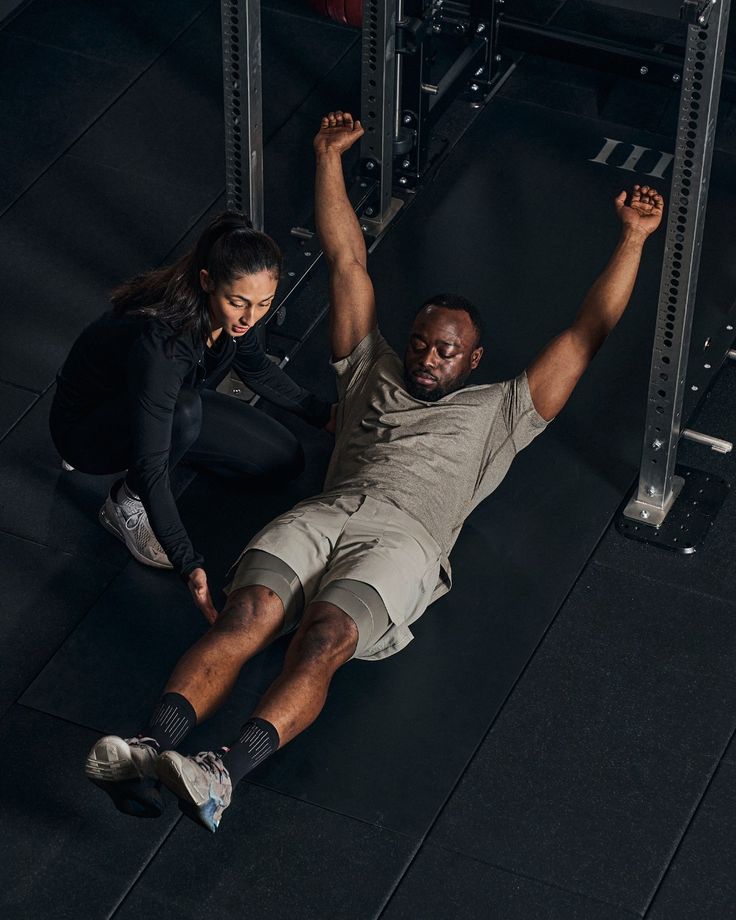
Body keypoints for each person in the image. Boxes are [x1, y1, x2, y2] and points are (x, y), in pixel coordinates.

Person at [84, 112, 664, 831]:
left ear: (474, 360)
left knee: (323, 639)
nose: (426, 357)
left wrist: (633, 239)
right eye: (421, 342)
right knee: (247, 616)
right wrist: (328, 158)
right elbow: (348, 260)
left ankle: (221, 774)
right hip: (325, 514)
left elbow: (587, 332)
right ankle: (150, 747)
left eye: (445, 351)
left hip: (405, 541)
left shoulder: (505, 410)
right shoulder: (368, 366)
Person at [50, 212, 332, 622]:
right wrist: (188, 561)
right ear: (206, 281)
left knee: (282, 458)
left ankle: (168, 435)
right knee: (183, 414)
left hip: (159, 403)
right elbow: (150, 467)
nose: (249, 318)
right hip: (85, 428)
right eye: (238, 303)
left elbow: (256, 368)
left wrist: (324, 415)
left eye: (263, 304)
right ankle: (124, 505)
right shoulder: (164, 344)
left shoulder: (236, 315)